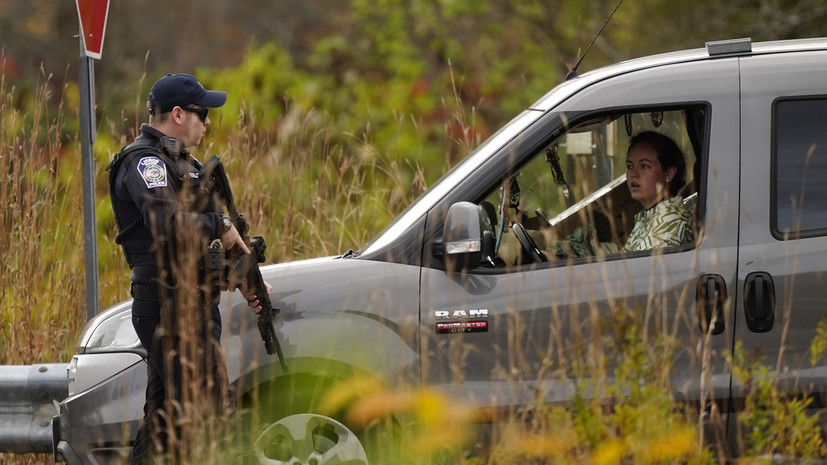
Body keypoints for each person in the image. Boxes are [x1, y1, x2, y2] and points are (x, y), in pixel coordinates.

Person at [107, 73, 270, 464]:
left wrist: (245, 277)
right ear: (178, 114)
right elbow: (169, 228)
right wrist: (221, 226)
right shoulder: (145, 163)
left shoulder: (185, 165)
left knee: (164, 428)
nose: (208, 121)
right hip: (171, 308)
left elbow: (203, 244)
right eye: (202, 113)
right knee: (215, 416)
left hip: (190, 306)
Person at [623, 131, 694, 252]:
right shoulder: (649, 216)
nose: (633, 174)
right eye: (630, 166)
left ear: (669, 173)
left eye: (644, 166)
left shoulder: (669, 220)